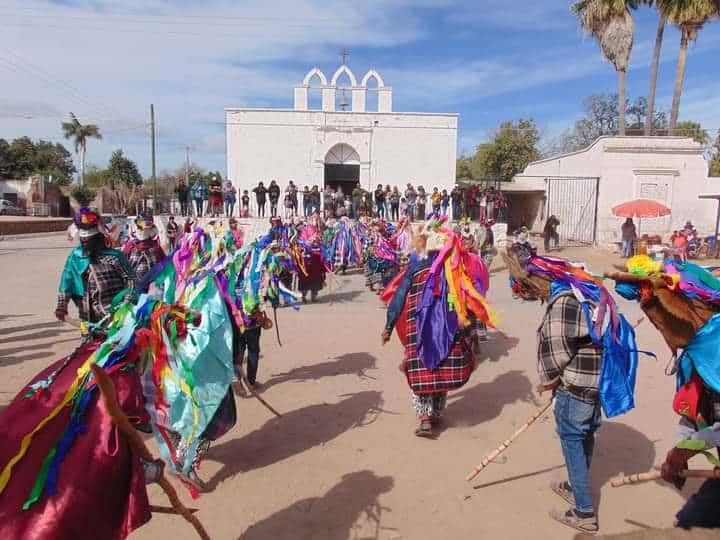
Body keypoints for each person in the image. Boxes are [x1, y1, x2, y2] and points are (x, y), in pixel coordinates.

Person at [504, 245, 612, 535]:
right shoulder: (583, 291)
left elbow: (556, 351)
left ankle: (584, 512)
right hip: (596, 383)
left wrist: (548, 380)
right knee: (585, 434)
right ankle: (574, 488)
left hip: (576, 385)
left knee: (573, 441)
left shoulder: (564, 301)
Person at [382, 223, 495, 437]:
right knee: (441, 365)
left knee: (424, 368)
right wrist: (469, 325)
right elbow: (468, 296)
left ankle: (425, 418)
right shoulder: (453, 264)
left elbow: (399, 296)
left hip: (421, 326)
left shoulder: (416, 263)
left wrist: (389, 325)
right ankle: (434, 414)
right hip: (447, 326)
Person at [56, 208, 136, 324]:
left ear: (98, 239)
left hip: (115, 315)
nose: (85, 243)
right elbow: (66, 280)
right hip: (86, 313)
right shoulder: (76, 256)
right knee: (90, 341)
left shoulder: (115, 257)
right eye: (83, 241)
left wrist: (126, 303)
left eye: (89, 241)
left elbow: (131, 280)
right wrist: (61, 306)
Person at [122, 215, 166, 283]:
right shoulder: (156, 248)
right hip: (153, 285)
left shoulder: (129, 246)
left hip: (134, 285)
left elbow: (123, 266)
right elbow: (164, 265)